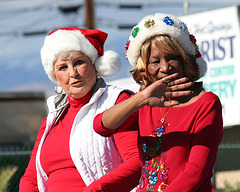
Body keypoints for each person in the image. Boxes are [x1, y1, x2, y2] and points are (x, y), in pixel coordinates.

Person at [93, 13, 223, 192]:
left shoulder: (206, 103)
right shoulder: (144, 103)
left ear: (184, 60)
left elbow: (195, 173)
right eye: (155, 61)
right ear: (144, 67)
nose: (165, 67)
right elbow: (101, 126)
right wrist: (141, 99)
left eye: (171, 58)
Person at [19, 27, 144, 192]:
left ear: (95, 65)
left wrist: (97, 189)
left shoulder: (117, 101)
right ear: (55, 76)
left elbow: (137, 162)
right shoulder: (53, 116)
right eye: (62, 67)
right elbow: (32, 177)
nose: (72, 73)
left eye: (78, 62)